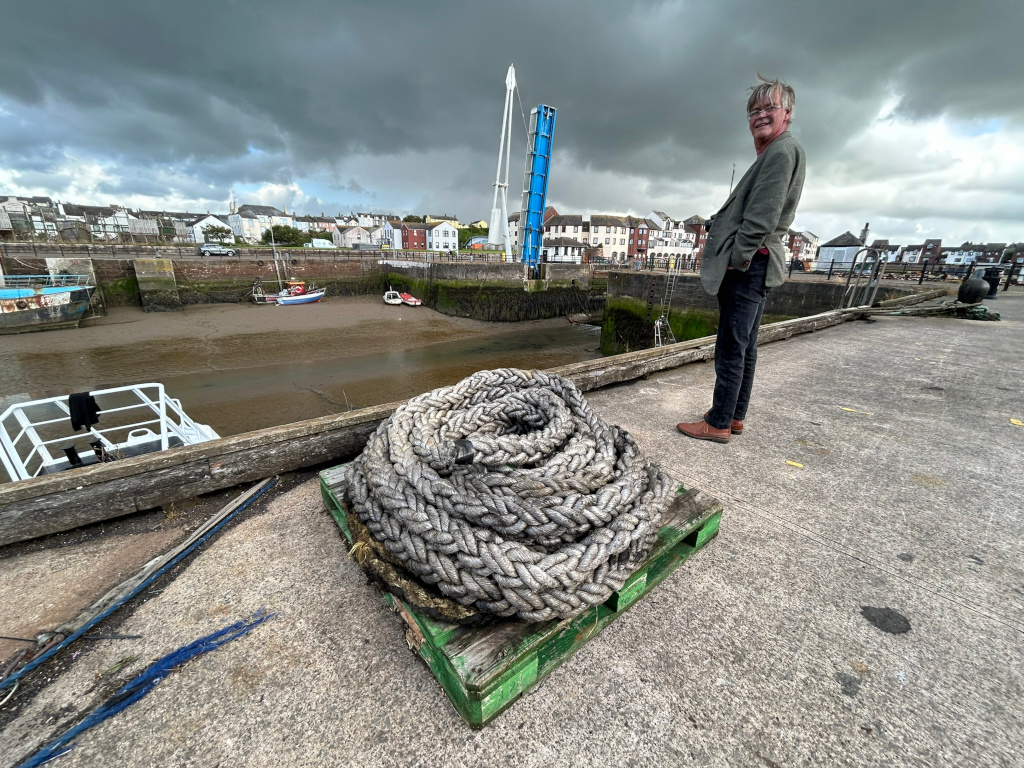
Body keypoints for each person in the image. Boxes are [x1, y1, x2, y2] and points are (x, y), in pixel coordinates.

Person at [676, 75, 806, 443]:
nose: (761, 115)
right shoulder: (781, 152)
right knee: (745, 344)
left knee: (731, 346)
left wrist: (737, 260)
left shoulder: (781, 153)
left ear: (788, 113)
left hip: (748, 265)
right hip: (758, 264)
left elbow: (762, 217)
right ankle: (733, 416)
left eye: (770, 108)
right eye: (755, 110)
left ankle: (717, 423)